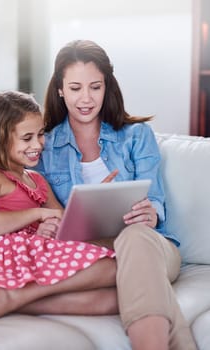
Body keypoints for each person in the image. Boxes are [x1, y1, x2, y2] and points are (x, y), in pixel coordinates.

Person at [33, 39, 197, 350]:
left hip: (150, 247)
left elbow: (156, 199)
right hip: (92, 256)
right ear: (60, 89)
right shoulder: (44, 148)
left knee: (134, 236)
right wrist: (48, 225)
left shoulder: (136, 136)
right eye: (75, 87)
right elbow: (45, 211)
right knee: (138, 284)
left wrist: (151, 212)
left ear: (107, 86)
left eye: (95, 87)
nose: (86, 98)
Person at [0, 90, 117, 324]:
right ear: (0, 138)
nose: (37, 144)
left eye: (40, 134)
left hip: (38, 251)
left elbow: (64, 224)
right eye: (27, 138)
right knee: (111, 268)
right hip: (9, 253)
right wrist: (38, 214)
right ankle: (11, 296)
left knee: (115, 299)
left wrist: (95, 203)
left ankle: (16, 300)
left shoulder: (37, 180)